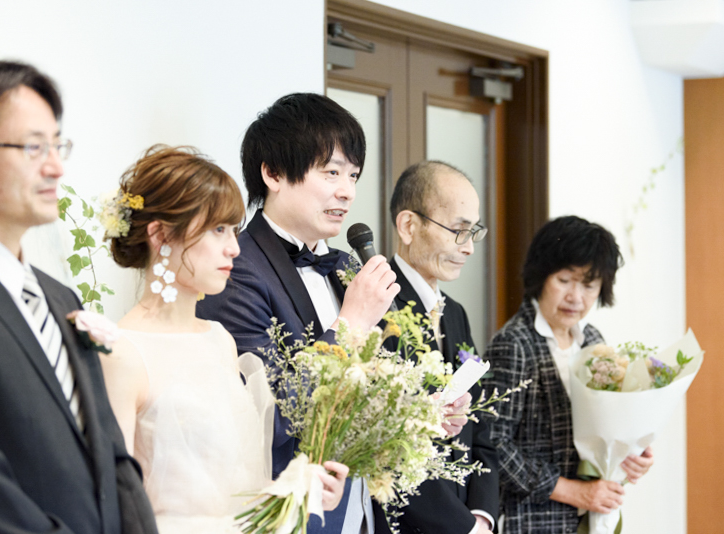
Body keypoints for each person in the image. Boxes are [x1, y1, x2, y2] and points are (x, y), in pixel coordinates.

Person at [98, 145, 349, 534]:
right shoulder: (121, 352)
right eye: (218, 230)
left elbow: (236, 481)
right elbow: (110, 506)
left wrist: (302, 490)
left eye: (233, 230)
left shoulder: (219, 339)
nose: (233, 247)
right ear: (160, 235)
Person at [197, 93, 404, 534]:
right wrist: (350, 324)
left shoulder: (346, 266)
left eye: (353, 175)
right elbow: (265, 416)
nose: (347, 191)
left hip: (362, 511)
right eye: (331, 172)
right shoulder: (235, 269)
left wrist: (419, 409)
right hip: (287, 513)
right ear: (272, 173)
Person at [0, 60, 156, 534]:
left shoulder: (59, 297)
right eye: (33, 147)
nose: (56, 166)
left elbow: (110, 452)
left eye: (57, 145)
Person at [483, 215, 655, 534]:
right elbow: (492, 444)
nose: (576, 297)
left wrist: (630, 456)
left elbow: (606, 428)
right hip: (531, 522)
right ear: (541, 276)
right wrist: (573, 491)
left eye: (589, 285)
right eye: (564, 280)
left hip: (590, 519)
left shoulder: (593, 341)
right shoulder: (513, 344)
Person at [387, 161, 500, 534]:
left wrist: (482, 515)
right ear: (409, 226)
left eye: (474, 232)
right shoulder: (378, 305)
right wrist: (462, 527)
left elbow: (481, 424)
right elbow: (388, 445)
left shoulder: (456, 314)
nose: (468, 248)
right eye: (458, 231)